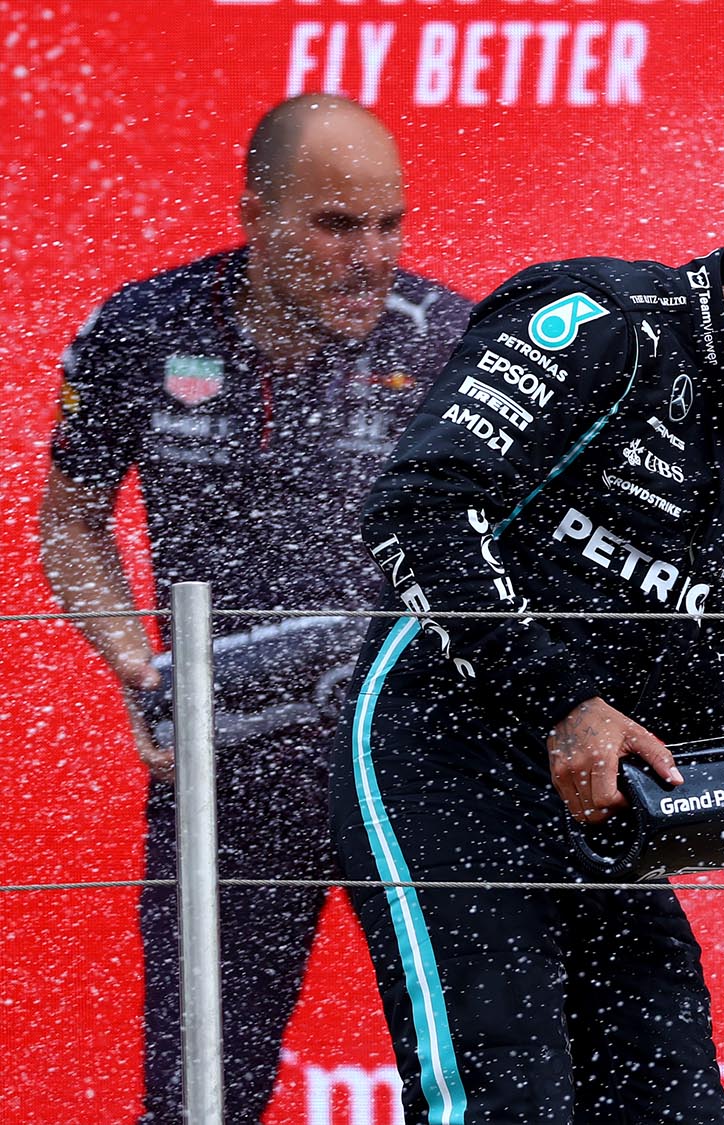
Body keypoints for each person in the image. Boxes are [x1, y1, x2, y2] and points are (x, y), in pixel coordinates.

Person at [334, 161, 724, 1124]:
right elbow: (421, 507)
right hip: (442, 761)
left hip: (603, 802)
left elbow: (695, 665)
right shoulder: (605, 317)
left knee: (671, 1101)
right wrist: (563, 706)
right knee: (504, 1098)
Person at [39, 95, 470, 1124]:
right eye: (333, 225)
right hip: (224, 759)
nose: (369, 255)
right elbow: (68, 521)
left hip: (409, 765)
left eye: (389, 223)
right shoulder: (146, 328)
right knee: (201, 1090)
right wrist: (135, 665)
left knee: (479, 1069)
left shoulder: (453, 336)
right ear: (255, 214)